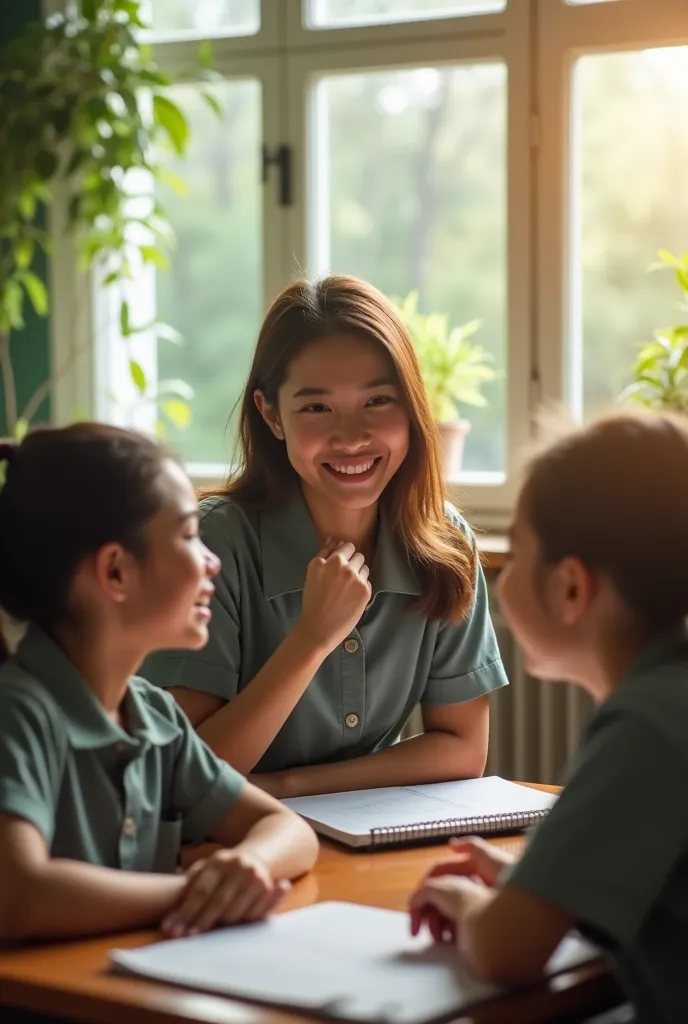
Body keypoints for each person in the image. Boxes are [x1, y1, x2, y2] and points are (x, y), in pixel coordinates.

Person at [144, 275, 508, 799]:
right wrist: (312, 640)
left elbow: (461, 749)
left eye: (378, 401)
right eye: (316, 407)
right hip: (221, 849)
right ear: (271, 415)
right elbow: (186, 774)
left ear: (411, 407)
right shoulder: (212, 545)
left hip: (361, 841)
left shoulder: (444, 541)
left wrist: (289, 786)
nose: (351, 436)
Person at [409, 410, 688, 1023]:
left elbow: (507, 951)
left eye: (521, 545)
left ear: (570, 588)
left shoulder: (645, 728)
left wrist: (461, 901)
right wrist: (528, 880)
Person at [0, 425, 318, 944]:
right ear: (117, 572)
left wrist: (245, 866)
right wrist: (190, 892)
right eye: (190, 536)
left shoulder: (152, 714)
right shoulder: (19, 713)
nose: (211, 561)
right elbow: (17, 896)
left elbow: (290, 833)